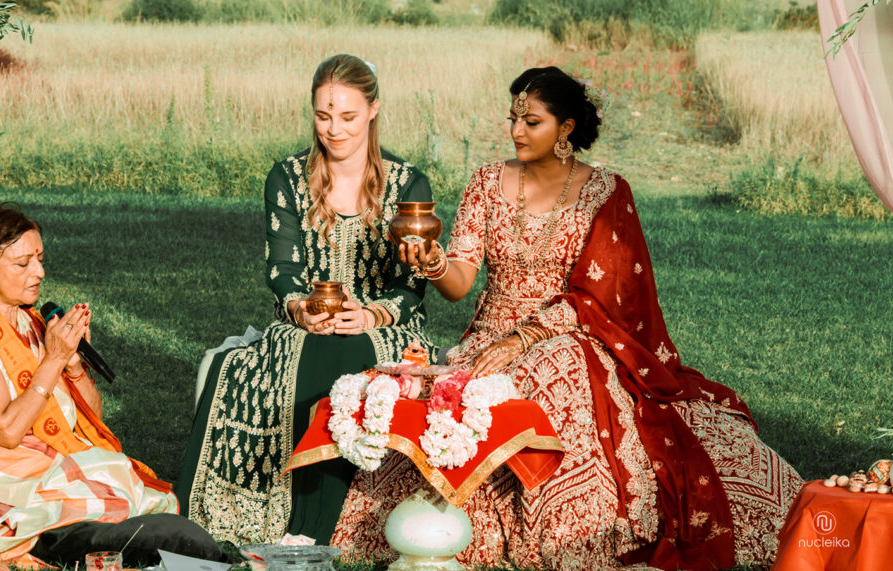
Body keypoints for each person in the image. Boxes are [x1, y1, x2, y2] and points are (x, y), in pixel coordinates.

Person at [330, 66, 803, 570]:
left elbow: (604, 296)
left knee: (550, 371)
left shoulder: (606, 193)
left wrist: (527, 337)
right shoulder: (488, 181)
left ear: (567, 128)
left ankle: (568, 536)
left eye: (531, 122)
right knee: (460, 398)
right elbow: (462, 282)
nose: (516, 131)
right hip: (489, 336)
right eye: (513, 118)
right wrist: (435, 264)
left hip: (575, 334)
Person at [177, 54, 436, 545]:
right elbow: (282, 269)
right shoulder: (287, 177)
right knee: (309, 356)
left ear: (374, 110)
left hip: (387, 328)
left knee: (355, 358)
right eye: (323, 116)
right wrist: (302, 309)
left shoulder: (408, 183)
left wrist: (370, 314)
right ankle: (288, 519)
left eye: (347, 116)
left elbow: (412, 285)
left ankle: (336, 522)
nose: (333, 129)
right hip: (301, 322)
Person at [0, 205, 220, 567]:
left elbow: (90, 421)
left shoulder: (32, 323)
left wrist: (73, 365)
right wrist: (53, 359)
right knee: (99, 485)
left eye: (40, 259)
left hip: (27, 450)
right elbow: (7, 431)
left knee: (113, 474)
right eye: (23, 263)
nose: (39, 273)